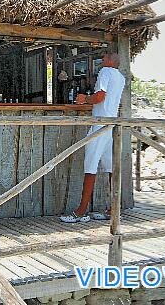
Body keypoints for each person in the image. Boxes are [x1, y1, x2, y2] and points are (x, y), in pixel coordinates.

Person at [60, 53, 126, 223]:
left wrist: (84, 99)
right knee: (111, 168)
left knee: (90, 166)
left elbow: (99, 97)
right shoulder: (121, 77)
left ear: (111, 61)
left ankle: (81, 212)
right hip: (111, 125)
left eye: (104, 59)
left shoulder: (106, 71)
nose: (101, 62)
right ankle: (113, 210)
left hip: (99, 125)